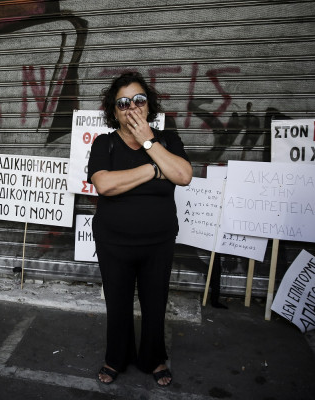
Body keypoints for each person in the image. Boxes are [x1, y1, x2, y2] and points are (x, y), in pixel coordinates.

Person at [87, 72, 192, 388]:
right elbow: (104, 184)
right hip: (113, 241)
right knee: (117, 304)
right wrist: (153, 169)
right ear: (113, 111)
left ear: (149, 106)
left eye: (138, 100)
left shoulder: (167, 140)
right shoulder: (105, 143)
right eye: (122, 103)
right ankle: (115, 357)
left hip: (158, 241)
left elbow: (183, 175)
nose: (131, 107)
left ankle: (153, 358)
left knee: (155, 303)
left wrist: (148, 140)